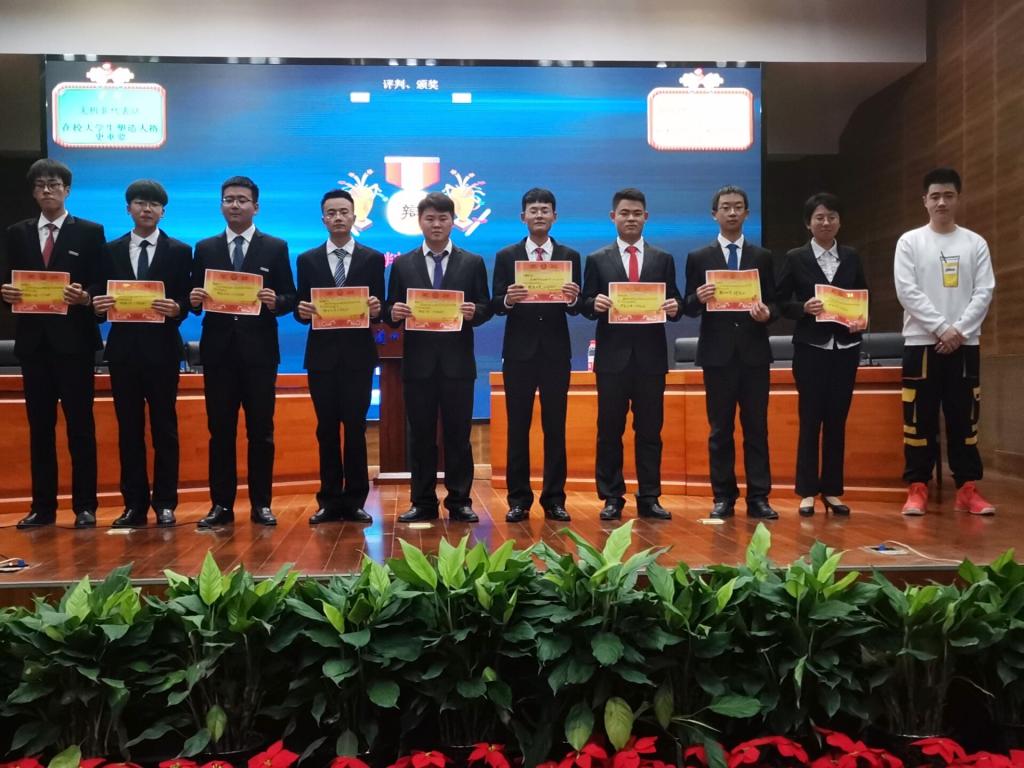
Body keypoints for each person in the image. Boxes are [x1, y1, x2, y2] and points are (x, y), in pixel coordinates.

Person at [1, 159, 105, 529]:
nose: (47, 190)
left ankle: (85, 507)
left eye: (54, 184)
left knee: (81, 428)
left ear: (67, 190)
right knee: (40, 429)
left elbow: (101, 282)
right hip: (34, 345)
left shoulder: (90, 232)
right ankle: (42, 508)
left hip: (75, 344)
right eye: (40, 185)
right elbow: (8, 282)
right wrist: (6, 293)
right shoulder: (17, 233)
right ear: (33, 192)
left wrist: (86, 296)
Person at [188, 176, 296, 529]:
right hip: (219, 354)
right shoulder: (205, 248)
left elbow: (290, 297)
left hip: (259, 354)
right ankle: (221, 505)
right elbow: (194, 298)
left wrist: (276, 301)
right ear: (221, 205)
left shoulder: (275, 247)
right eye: (229, 199)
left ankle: (261, 504)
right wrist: (194, 299)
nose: (235, 205)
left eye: (242, 200)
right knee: (220, 432)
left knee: (261, 432)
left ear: (256, 206)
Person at [384, 192, 492, 523]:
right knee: (421, 436)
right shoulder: (403, 264)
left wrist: (475, 312)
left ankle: (460, 501)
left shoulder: (472, 262)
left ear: (452, 222)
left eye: (443, 218)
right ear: (419, 221)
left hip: (458, 365)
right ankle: (423, 501)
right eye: (430, 218)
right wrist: (394, 312)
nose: (436, 224)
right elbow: (389, 308)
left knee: (459, 435)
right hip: (418, 365)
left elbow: (485, 306)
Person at [894, 167, 996, 516]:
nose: (941, 202)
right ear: (925, 200)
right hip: (921, 343)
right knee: (918, 419)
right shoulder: (910, 242)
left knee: (964, 419)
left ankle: (967, 488)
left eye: (948, 196)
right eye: (935, 196)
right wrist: (941, 328)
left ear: (958, 199)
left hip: (964, 344)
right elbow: (907, 291)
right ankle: (917, 486)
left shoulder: (974, 243)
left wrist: (959, 330)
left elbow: (984, 291)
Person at [91, 180, 192, 527]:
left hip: (163, 352)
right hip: (124, 354)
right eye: (139, 203)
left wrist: (177, 307)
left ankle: (165, 503)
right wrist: (97, 305)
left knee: (165, 429)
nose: (146, 209)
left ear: (163, 211)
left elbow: (188, 298)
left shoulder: (180, 251)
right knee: (129, 431)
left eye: (153, 204)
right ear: (128, 208)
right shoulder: (110, 250)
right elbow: (98, 293)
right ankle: (134, 505)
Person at [581, 187, 682, 521]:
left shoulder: (663, 259)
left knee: (650, 431)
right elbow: (585, 303)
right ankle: (612, 497)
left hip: (651, 360)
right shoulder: (597, 259)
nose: (631, 218)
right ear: (613, 217)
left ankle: (649, 496)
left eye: (637, 213)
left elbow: (676, 301)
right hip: (612, 360)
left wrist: (675, 307)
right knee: (609, 431)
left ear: (646, 217)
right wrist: (593, 304)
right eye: (624, 213)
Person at [683, 185, 778, 521]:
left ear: (747, 213)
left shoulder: (762, 256)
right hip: (717, 356)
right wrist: (698, 297)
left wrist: (768, 314)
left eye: (738, 207)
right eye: (726, 207)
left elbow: (775, 302)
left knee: (757, 429)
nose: (732, 212)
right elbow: (687, 306)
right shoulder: (699, 257)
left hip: (754, 355)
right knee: (720, 430)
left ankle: (759, 497)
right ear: (715, 214)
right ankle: (723, 496)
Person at [294, 190, 385, 524]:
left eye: (343, 212)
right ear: (323, 219)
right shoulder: (307, 260)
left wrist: (376, 308)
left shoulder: (372, 259)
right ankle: (329, 500)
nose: (338, 217)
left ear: (354, 217)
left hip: (359, 357)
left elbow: (380, 307)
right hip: (321, 358)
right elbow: (300, 307)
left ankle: (356, 500)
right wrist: (301, 311)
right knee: (327, 429)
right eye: (331, 213)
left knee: (356, 429)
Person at [492, 188, 580, 523]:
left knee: (555, 428)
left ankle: (555, 499)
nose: (539, 215)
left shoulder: (569, 256)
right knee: (518, 428)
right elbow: (495, 303)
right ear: (523, 217)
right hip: (519, 354)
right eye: (533, 210)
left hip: (556, 353)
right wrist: (508, 299)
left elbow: (577, 307)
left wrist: (573, 298)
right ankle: (518, 500)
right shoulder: (507, 256)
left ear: (554, 216)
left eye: (545, 210)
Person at [776, 192, 867, 517]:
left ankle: (832, 490)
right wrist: (803, 307)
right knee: (810, 419)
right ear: (808, 223)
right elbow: (780, 302)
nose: (826, 222)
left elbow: (863, 294)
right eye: (819, 217)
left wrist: (861, 319)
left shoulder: (851, 256)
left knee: (837, 421)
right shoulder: (796, 257)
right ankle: (806, 492)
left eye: (831, 217)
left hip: (846, 349)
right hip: (811, 349)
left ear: (839, 222)